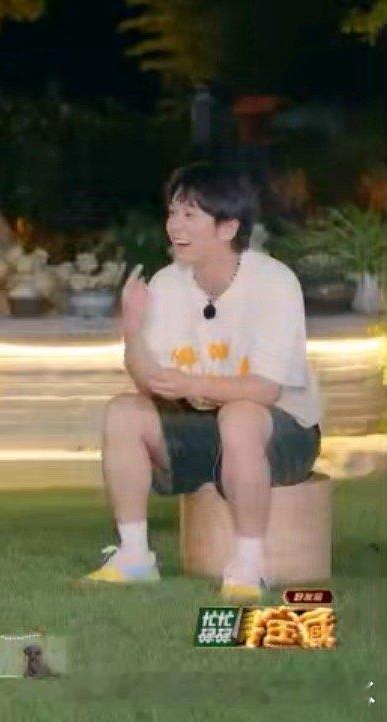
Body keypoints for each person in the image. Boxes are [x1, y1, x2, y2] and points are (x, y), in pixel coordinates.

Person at [84, 162, 321, 602]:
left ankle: (248, 565)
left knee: (240, 416)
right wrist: (132, 329)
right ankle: (135, 555)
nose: (175, 226)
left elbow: (265, 391)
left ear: (228, 227)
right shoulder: (167, 284)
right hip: (203, 425)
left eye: (190, 215)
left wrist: (191, 384)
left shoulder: (273, 282)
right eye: (173, 213)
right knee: (123, 412)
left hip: (282, 433)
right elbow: (150, 382)